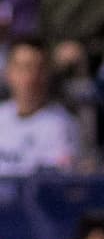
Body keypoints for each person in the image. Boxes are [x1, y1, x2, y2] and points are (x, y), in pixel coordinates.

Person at [0, 39, 81, 175]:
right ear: (8, 73)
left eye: (38, 68)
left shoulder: (61, 124)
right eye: (23, 68)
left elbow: (54, 183)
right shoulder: (2, 115)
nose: (30, 78)